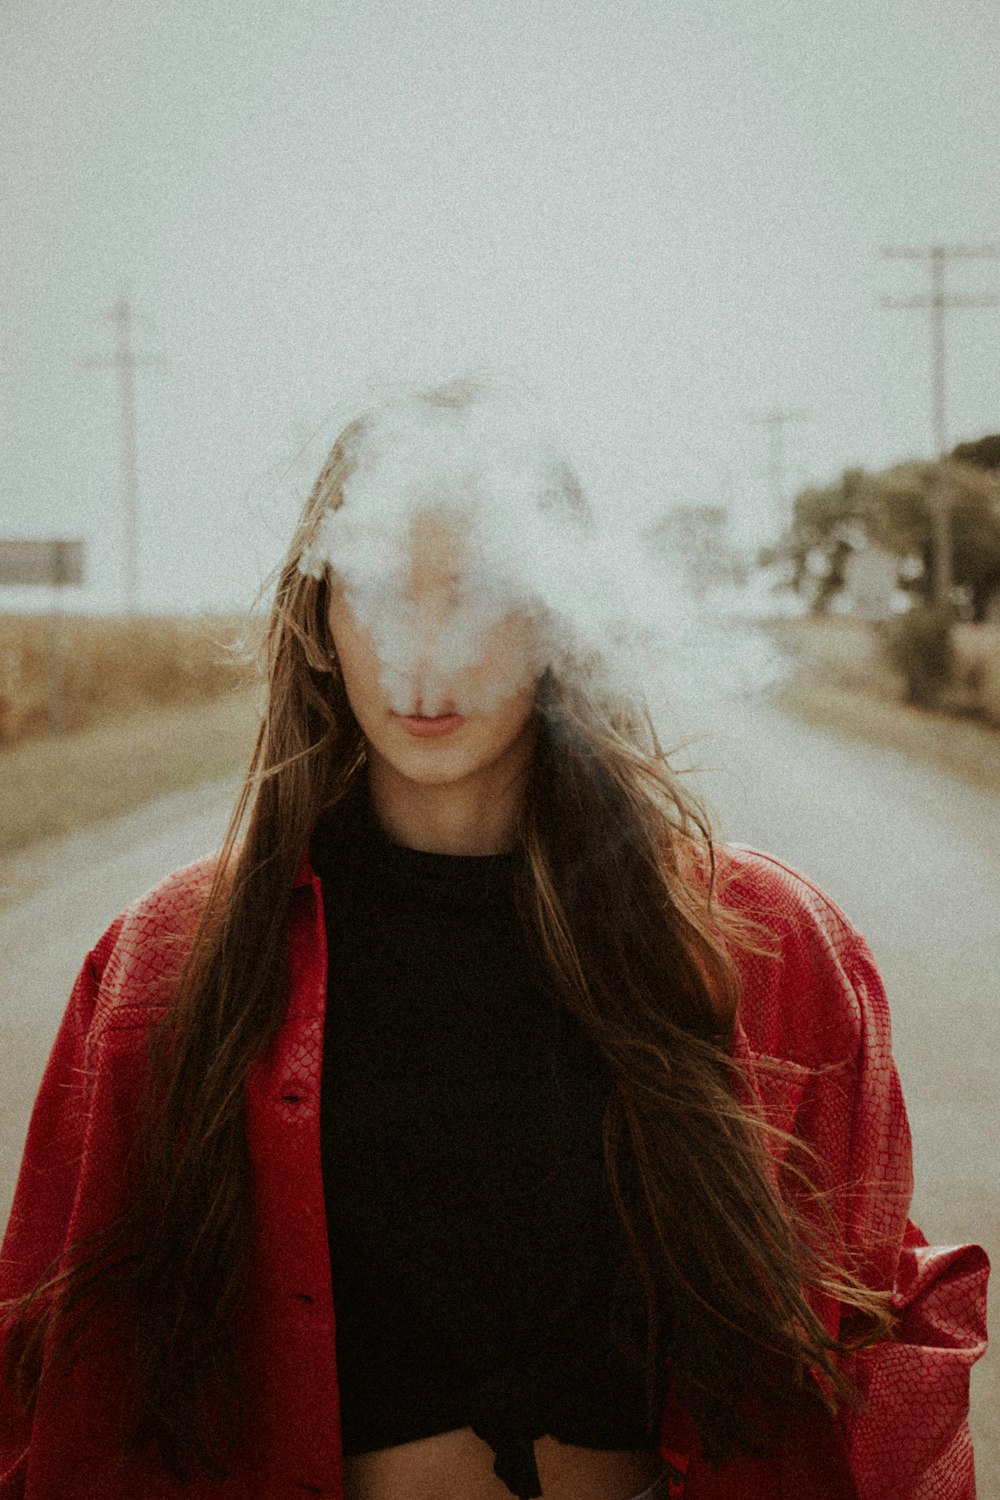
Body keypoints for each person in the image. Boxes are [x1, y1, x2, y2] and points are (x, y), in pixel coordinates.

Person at [0, 376, 989, 1500]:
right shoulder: (173, 960)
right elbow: (58, 1371)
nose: (425, 653)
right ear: (318, 622)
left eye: (478, 597)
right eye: (375, 592)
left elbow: (872, 1342)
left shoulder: (763, 941)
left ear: (563, 620)